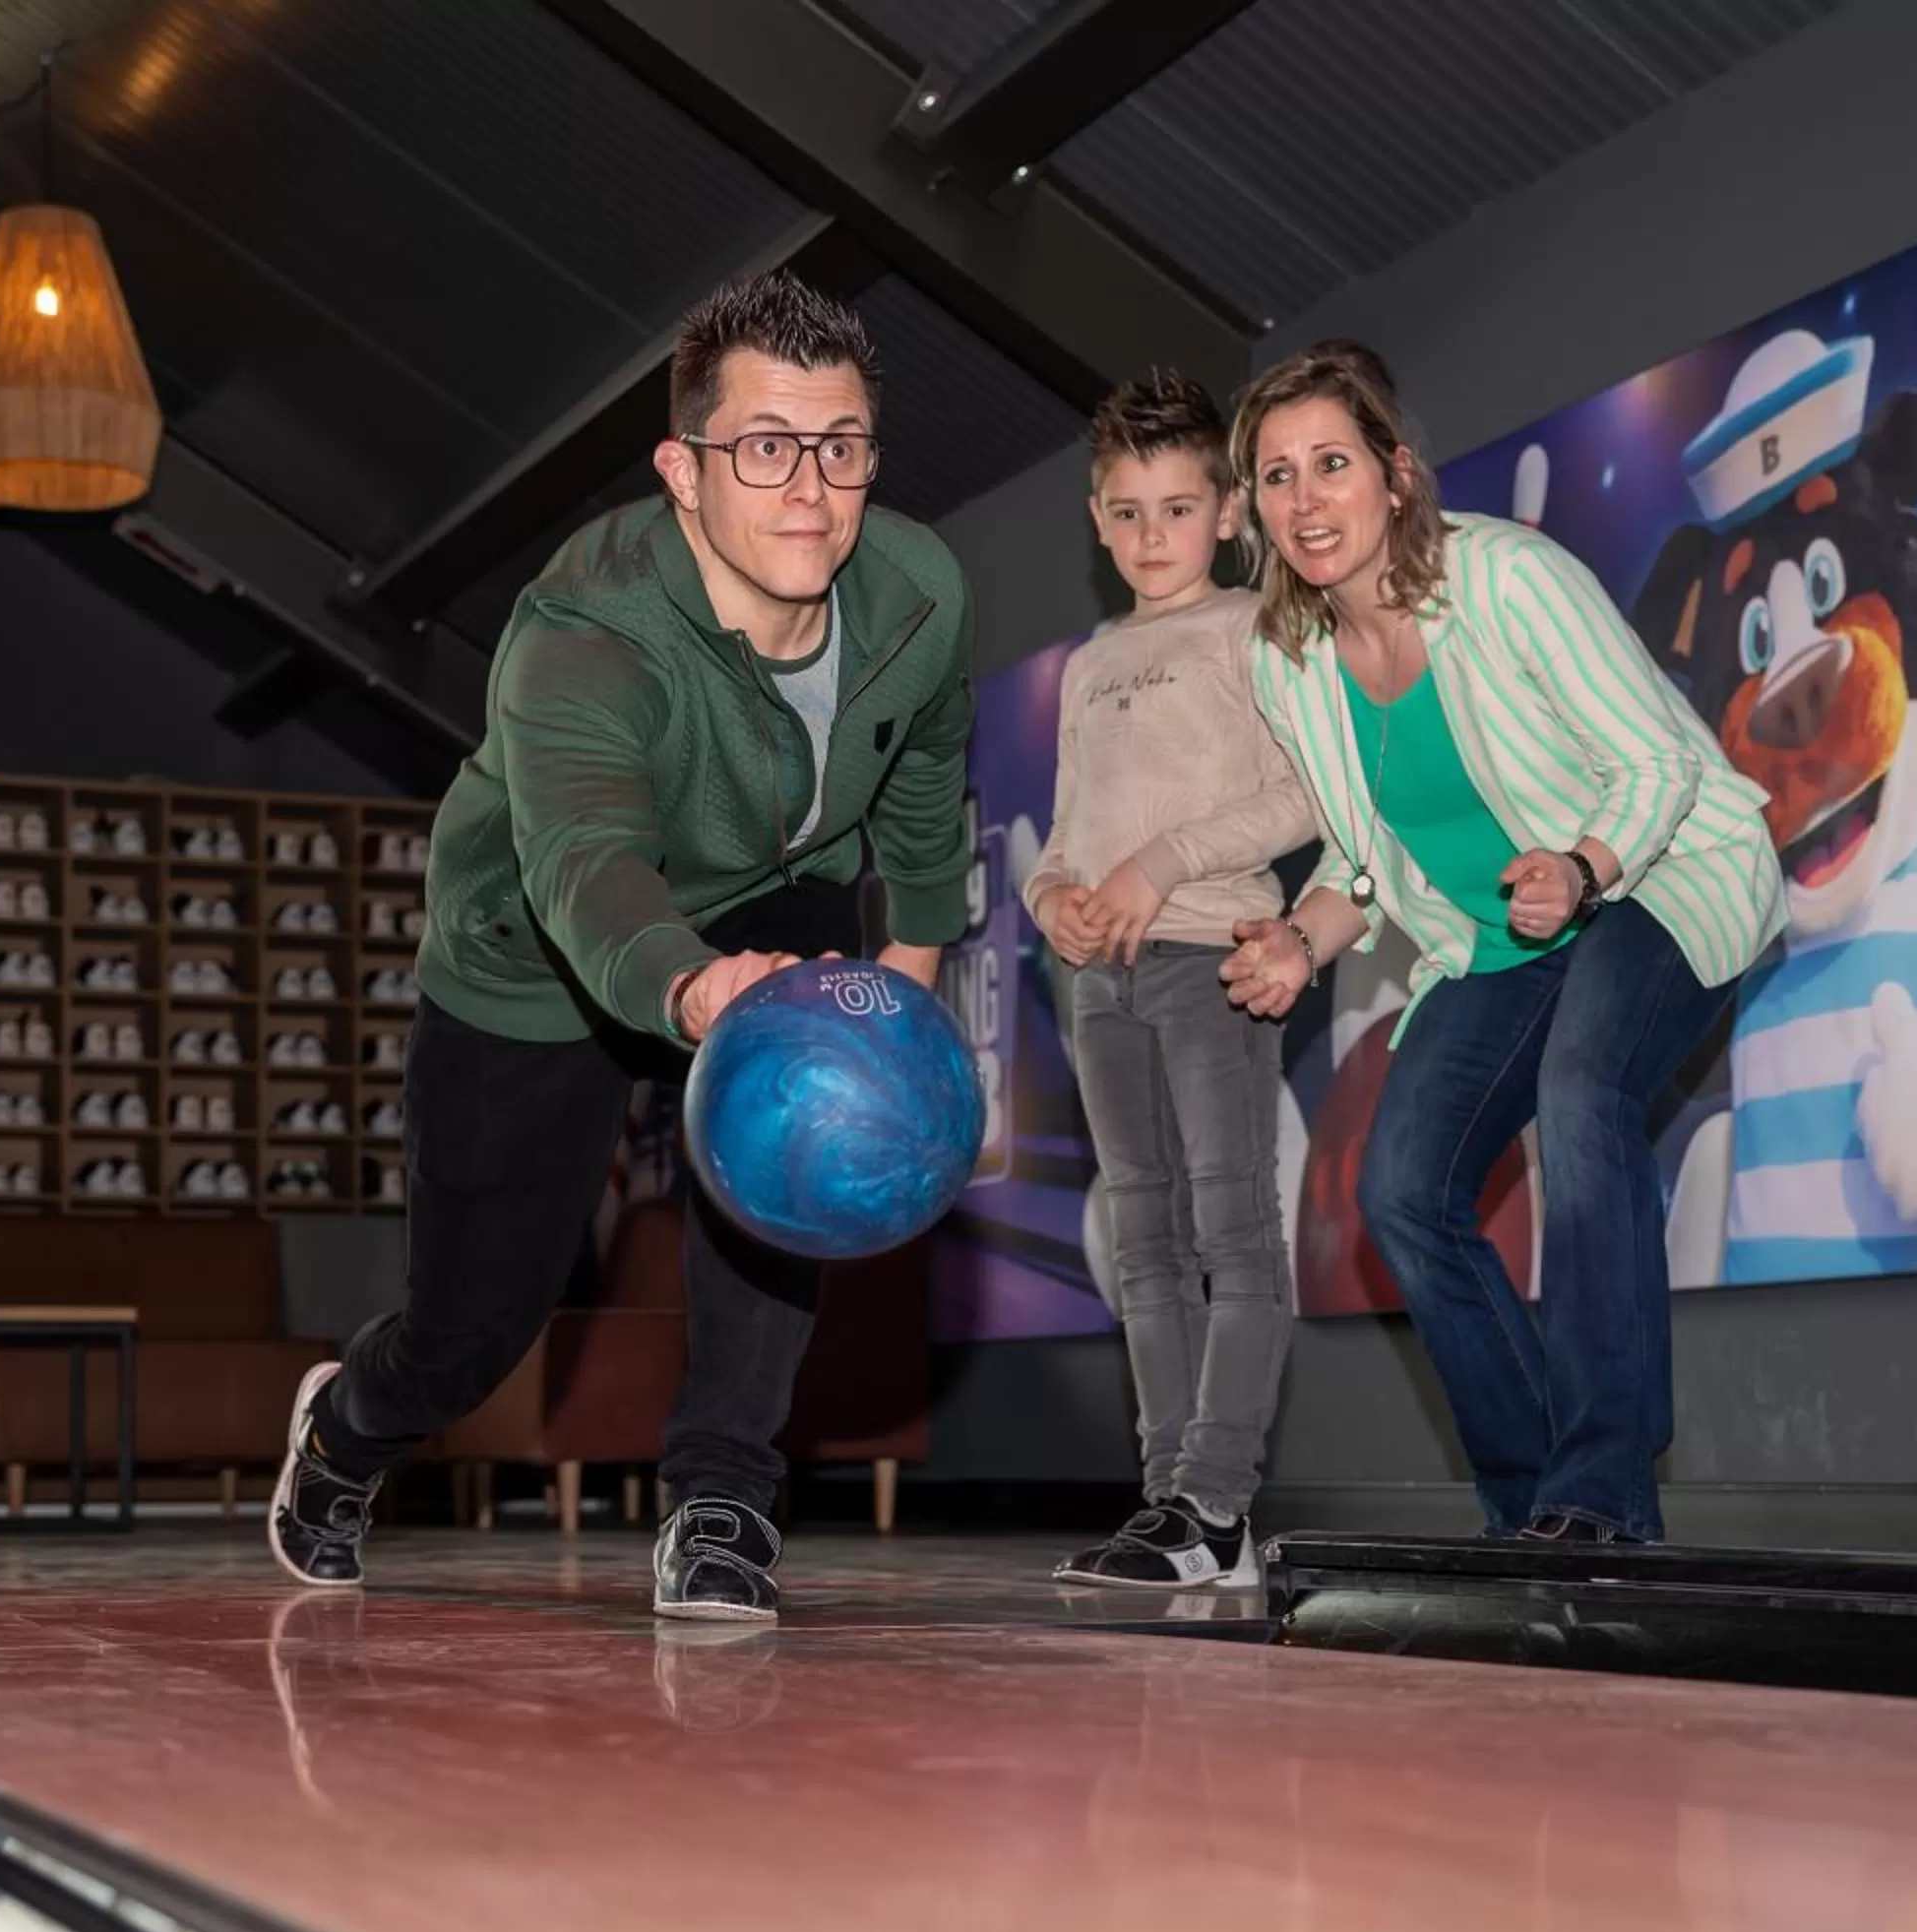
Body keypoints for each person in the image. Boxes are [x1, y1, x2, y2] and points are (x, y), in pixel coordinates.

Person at [268, 271, 975, 1620]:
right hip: (538, 953)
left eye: (841, 448)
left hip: (780, 893)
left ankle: (723, 1502)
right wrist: (695, 982)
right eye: (765, 448)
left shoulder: (922, 591)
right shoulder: (581, 633)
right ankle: (347, 1430)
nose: (812, 493)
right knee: (476, 1328)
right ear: (682, 468)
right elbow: (586, 865)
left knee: (791, 1158)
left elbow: (929, 779)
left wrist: (911, 991)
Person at [1217, 342, 1783, 1545]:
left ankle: (1605, 1491)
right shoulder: (1287, 658)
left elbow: (1664, 762)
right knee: (1402, 1188)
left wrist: (1582, 867)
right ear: (1254, 508)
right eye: (1276, 477)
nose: (1307, 500)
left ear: (1397, 475)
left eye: (1332, 463)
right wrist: (1298, 945)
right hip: (1494, 943)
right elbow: (1361, 862)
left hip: (1658, 875)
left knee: (1586, 1092)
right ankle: (1534, 1505)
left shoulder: (1507, 578)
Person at [1021, 370, 1317, 1589]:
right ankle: (1167, 1506)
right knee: (1142, 1241)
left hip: (1213, 959)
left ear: (1230, 511)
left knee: (1233, 1233)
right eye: (1129, 512)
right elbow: (1064, 834)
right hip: (1099, 982)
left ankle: (1220, 1500)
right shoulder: (1091, 662)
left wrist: (1162, 864)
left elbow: (1308, 794)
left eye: (1179, 508)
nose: (1154, 536)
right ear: (1097, 519)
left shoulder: (1259, 629)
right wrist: (1054, 898)